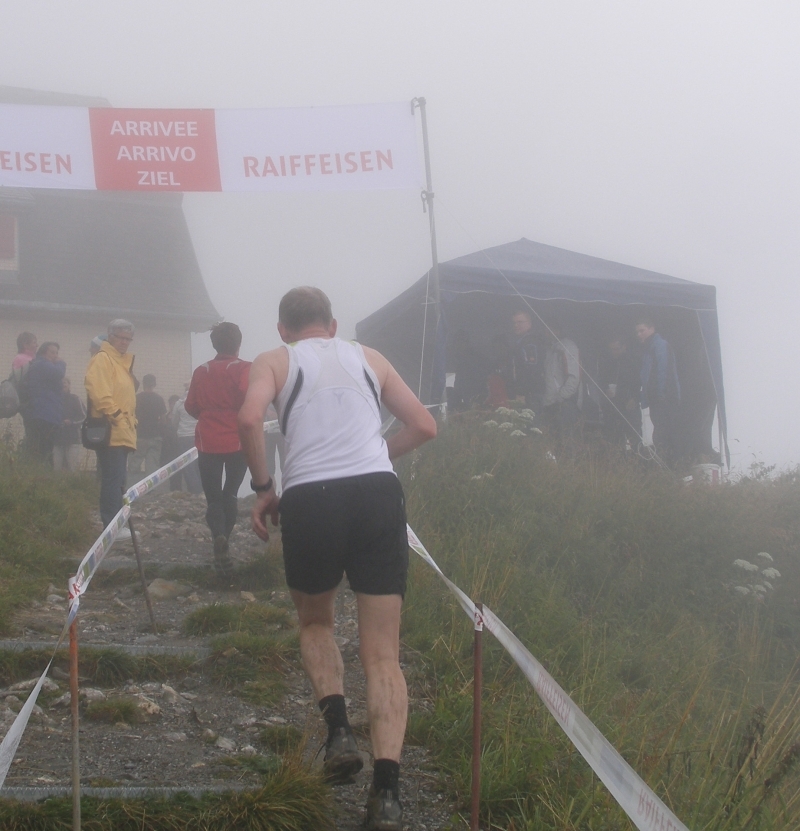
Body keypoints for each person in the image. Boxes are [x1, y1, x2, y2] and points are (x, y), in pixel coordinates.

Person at [238, 287, 437, 831]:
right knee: (383, 654)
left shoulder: (275, 360)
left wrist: (262, 487)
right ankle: (388, 794)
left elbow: (250, 419)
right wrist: (373, 454)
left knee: (316, 620)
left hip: (311, 497)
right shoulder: (369, 357)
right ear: (333, 324)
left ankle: (339, 730)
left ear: (283, 328)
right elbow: (424, 425)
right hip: (377, 494)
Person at [185, 322, 251, 579]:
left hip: (207, 439)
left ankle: (218, 536)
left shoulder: (201, 371)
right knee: (230, 494)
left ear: (214, 344)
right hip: (237, 439)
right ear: (238, 344)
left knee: (213, 497)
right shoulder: (244, 368)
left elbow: (191, 405)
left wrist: (207, 414)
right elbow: (250, 399)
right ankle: (226, 539)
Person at [84, 319, 138, 538]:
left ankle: (117, 525)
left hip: (122, 431)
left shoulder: (121, 363)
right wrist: (116, 416)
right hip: (111, 431)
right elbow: (99, 391)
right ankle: (111, 527)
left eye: (128, 338)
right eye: (120, 337)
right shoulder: (103, 359)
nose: (125, 342)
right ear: (110, 336)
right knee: (113, 480)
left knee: (118, 481)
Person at [636, 317, 681, 464]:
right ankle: (665, 464)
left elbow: (663, 370)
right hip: (656, 399)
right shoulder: (649, 348)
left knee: (664, 433)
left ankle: (671, 465)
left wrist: (661, 394)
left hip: (665, 398)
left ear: (651, 329)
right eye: (637, 332)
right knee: (660, 431)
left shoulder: (660, 345)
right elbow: (645, 376)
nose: (639, 334)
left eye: (642, 330)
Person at [24, 341, 67, 464]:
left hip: (46, 413)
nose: (55, 356)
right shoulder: (42, 364)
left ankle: (42, 473)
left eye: (57, 353)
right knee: (44, 448)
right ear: (43, 353)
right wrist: (62, 363)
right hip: (44, 414)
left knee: (45, 448)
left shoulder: (41, 365)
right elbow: (58, 373)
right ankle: (42, 474)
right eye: (52, 352)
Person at [542, 321, 581, 444]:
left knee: (567, 441)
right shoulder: (550, 348)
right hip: (551, 403)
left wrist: (561, 397)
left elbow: (574, 377)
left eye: (549, 330)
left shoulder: (567, 347)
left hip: (565, 404)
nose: (546, 333)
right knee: (553, 441)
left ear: (557, 331)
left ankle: (570, 463)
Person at [599, 337, 641, 447]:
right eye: (612, 349)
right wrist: (605, 389)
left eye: (617, 349)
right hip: (612, 405)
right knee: (615, 438)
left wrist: (635, 398)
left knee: (634, 437)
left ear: (624, 347)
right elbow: (601, 380)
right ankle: (620, 461)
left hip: (629, 404)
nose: (614, 352)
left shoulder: (633, 361)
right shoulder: (608, 362)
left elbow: (639, 383)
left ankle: (637, 461)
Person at [127, 374, 167, 485]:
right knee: (152, 466)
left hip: (139, 436)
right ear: (154, 384)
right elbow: (163, 420)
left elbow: (130, 416)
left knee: (134, 465)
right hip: (155, 437)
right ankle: (150, 491)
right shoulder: (159, 399)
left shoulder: (137, 398)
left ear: (143, 384)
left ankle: (132, 490)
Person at [509, 310, 542, 407]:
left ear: (529, 324)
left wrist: (522, 392)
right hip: (528, 393)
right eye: (514, 323)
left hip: (530, 394)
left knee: (528, 420)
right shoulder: (521, 341)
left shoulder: (529, 343)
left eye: (520, 322)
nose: (516, 325)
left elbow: (531, 370)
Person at [171, 390, 202, 494]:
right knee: (199, 464)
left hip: (184, 437)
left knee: (188, 465)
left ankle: (194, 491)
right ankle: (201, 490)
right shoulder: (200, 401)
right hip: (198, 436)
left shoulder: (179, 404)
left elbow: (174, 421)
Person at [53, 378, 86, 472]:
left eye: (65, 382)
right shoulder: (54, 400)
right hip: (57, 440)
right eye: (61, 382)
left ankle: (75, 486)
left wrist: (72, 422)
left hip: (72, 440)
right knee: (56, 470)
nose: (63, 384)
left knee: (73, 469)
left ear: (69, 385)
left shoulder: (75, 399)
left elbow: (84, 417)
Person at [11, 332, 37, 439]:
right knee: (33, 432)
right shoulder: (23, 359)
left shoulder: (28, 359)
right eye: (34, 342)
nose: (37, 345)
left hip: (28, 401)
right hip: (28, 401)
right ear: (25, 345)